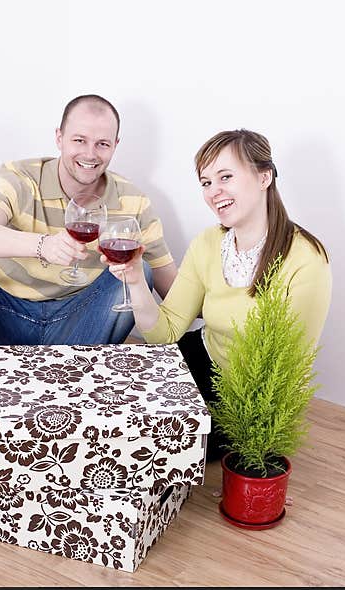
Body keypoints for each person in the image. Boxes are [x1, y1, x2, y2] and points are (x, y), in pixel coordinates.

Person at [103, 129, 332, 461]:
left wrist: (266, 456)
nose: (214, 192)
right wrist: (137, 280)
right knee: (116, 403)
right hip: (202, 356)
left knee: (161, 446)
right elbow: (164, 332)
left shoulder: (306, 258)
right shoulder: (209, 243)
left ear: (264, 176)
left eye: (226, 177)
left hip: (249, 395)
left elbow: (289, 369)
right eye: (206, 182)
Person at [0, 94, 178, 352]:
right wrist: (42, 245)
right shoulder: (19, 177)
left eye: (102, 144)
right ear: (59, 137)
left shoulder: (133, 201)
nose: (90, 154)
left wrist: (220, 294)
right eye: (79, 140)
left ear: (115, 145)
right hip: (9, 316)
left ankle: (68, 371)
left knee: (139, 273)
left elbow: (173, 290)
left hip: (79, 326)